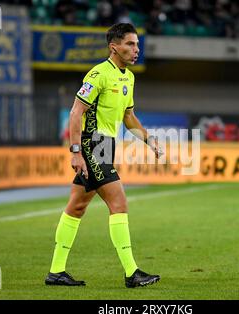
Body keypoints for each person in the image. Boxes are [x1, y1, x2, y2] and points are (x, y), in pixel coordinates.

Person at [45, 23, 162, 288]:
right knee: (118, 203)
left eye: (137, 45)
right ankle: (132, 273)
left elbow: (128, 116)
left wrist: (148, 139)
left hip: (107, 145)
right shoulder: (98, 74)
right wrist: (76, 152)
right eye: (130, 44)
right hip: (92, 144)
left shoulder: (128, 78)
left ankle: (55, 272)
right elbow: (76, 113)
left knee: (77, 206)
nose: (136, 50)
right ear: (114, 47)